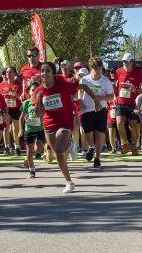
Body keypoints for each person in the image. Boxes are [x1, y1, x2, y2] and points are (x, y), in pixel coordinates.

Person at [34, 61, 101, 193]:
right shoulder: (38, 91)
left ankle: (69, 143)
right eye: (42, 71)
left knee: (59, 150)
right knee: (58, 155)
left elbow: (84, 87)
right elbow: (39, 114)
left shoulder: (63, 85)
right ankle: (69, 181)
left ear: (53, 73)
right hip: (48, 124)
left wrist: (95, 100)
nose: (44, 74)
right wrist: (38, 100)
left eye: (47, 71)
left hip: (64, 122)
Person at [79, 57, 115, 167]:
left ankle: (97, 158)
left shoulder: (105, 81)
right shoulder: (84, 79)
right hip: (87, 110)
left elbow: (111, 96)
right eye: (95, 68)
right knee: (88, 133)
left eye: (99, 68)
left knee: (99, 134)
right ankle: (91, 147)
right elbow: (79, 92)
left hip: (101, 110)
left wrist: (101, 98)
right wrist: (80, 101)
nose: (97, 71)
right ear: (91, 68)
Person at [114, 53, 142, 155]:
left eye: (127, 61)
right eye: (123, 61)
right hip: (121, 102)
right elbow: (116, 86)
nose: (125, 63)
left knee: (133, 126)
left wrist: (135, 89)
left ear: (132, 62)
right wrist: (114, 96)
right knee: (119, 123)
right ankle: (125, 143)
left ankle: (135, 146)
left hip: (133, 103)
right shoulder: (118, 71)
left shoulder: (138, 74)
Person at [20, 82, 44, 177]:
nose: (34, 92)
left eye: (36, 90)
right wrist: (20, 130)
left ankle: (34, 154)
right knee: (29, 151)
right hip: (29, 129)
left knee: (38, 149)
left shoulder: (42, 101)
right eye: (32, 90)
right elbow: (21, 117)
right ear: (29, 92)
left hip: (40, 129)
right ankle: (32, 169)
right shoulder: (26, 103)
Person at [0, 66, 23, 156]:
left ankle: (17, 147)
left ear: (15, 74)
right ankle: (7, 146)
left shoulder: (18, 85)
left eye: (10, 72)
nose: (8, 73)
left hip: (16, 108)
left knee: (15, 129)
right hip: (5, 109)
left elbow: (21, 98)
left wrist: (13, 92)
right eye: (7, 72)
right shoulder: (1, 85)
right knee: (5, 128)